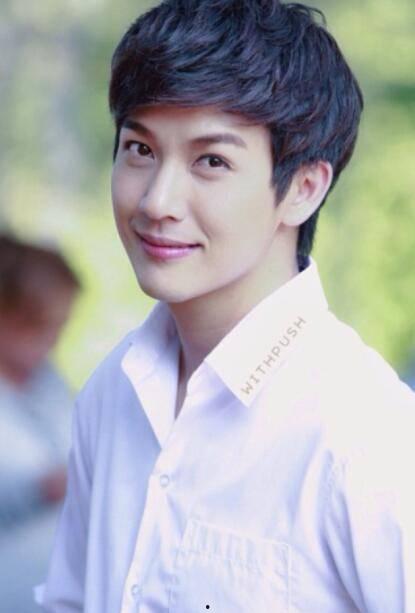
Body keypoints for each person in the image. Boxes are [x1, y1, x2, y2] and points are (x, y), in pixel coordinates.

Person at [38, 1, 415, 611]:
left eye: (211, 161)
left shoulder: (367, 434)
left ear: (303, 189)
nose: (157, 201)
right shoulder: (113, 392)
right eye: (139, 149)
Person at [0, 233, 80, 612]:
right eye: (37, 326)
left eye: (59, 327)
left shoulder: (48, 382)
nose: (50, 341)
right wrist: (39, 489)